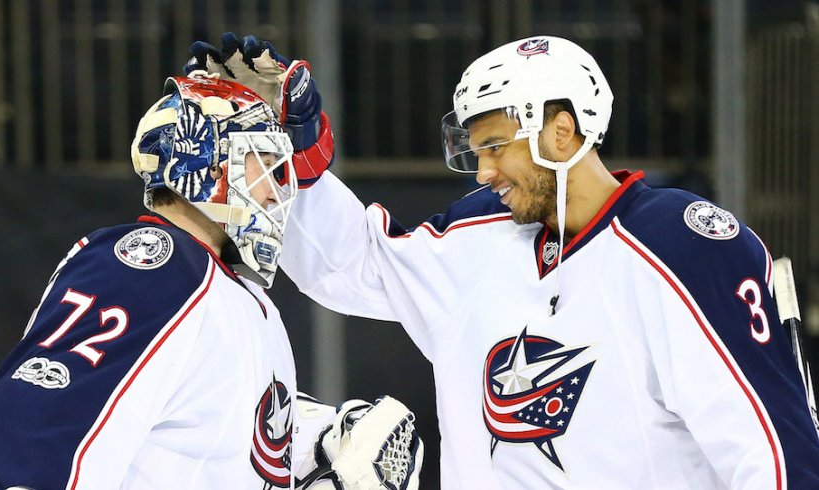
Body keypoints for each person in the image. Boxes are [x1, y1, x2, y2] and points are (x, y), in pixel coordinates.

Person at [187, 34, 819, 488]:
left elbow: (771, 452)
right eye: (476, 150)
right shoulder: (477, 238)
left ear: (561, 132)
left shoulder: (685, 247)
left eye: (495, 146)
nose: (484, 171)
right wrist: (292, 150)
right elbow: (351, 264)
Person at [0, 74, 423, 489]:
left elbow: (206, 425)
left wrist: (320, 439)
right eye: (263, 165)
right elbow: (36, 424)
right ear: (208, 166)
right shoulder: (152, 266)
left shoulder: (237, 295)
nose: (278, 190)